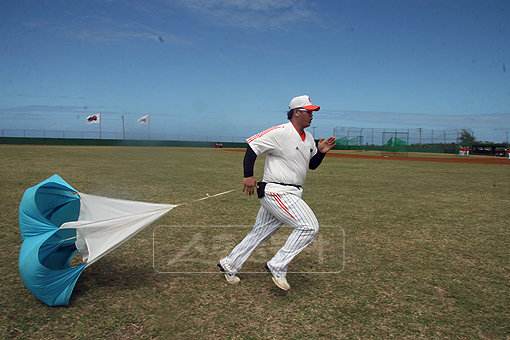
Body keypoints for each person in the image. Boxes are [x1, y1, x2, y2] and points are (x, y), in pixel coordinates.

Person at [218, 95, 336, 291]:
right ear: (296, 112)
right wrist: (248, 175)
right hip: (277, 192)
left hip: (292, 192)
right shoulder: (280, 132)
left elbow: (311, 166)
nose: (312, 115)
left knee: (259, 234)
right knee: (309, 226)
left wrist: (321, 152)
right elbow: (252, 147)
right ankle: (278, 265)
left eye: (312, 112)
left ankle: (229, 264)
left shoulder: (308, 140)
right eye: (308, 111)